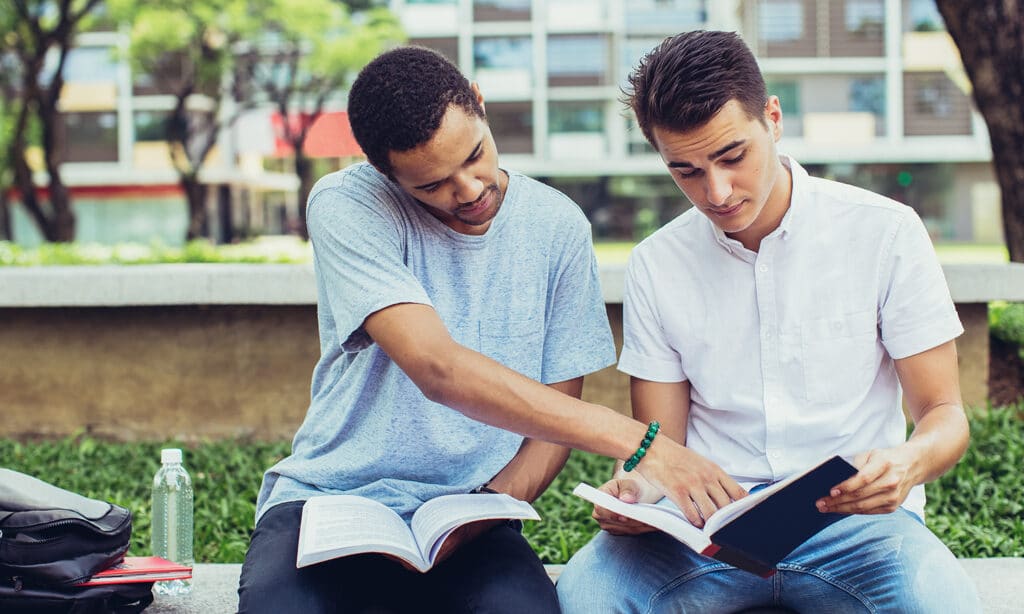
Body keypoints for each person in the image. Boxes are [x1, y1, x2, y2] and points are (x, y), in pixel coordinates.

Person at [237, 46, 735, 614]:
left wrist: (494, 505)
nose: (470, 190)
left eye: (474, 156)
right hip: (329, 503)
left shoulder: (557, 226)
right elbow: (437, 368)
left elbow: (555, 405)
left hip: (470, 512)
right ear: (385, 173)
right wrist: (642, 444)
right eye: (432, 185)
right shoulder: (348, 204)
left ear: (478, 100)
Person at [556, 30, 981, 613]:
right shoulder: (657, 262)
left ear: (773, 118)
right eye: (687, 171)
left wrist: (906, 464)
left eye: (732, 157)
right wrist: (634, 489)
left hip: (854, 524)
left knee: (944, 605)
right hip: (702, 528)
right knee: (587, 597)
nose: (718, 192)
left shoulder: (885, 232)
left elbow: (945, 415)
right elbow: (661, 444)